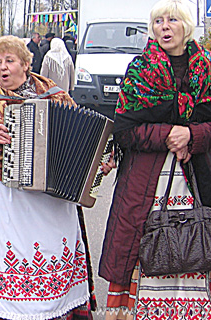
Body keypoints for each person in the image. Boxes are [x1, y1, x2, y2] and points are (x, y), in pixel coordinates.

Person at [0, 35, 94, 320]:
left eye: (9, 61)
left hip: (54, 198)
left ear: (26, 64)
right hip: (9, 196)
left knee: (56, 253)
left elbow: (83, 135)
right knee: (13, 256)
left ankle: (60, 308)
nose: (2, 68)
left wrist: (96, 162)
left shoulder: (53, 94)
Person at [99, 0, 211, 318]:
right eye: (159, 20)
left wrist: (193, 136)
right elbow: (125, 130)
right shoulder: (140, 71)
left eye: (172, 19)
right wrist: (168, 135)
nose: (164, 26)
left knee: (199, 244)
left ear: (186, 26)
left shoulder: (207, 70)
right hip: (147, 183)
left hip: (198, 178)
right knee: (144, 250)